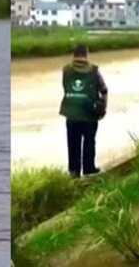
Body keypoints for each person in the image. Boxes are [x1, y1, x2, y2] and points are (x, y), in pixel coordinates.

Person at [59, 44, 108, 178]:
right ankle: (89, 168)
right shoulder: (94, 71)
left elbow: (65, 87)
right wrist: (102, 108)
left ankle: (74, 172)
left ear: (73, 55)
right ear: (86, 54)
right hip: (89, 114)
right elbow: (104, 90)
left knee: (73, 143)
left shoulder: (66, 70)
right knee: (89, 141)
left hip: (71, 113)